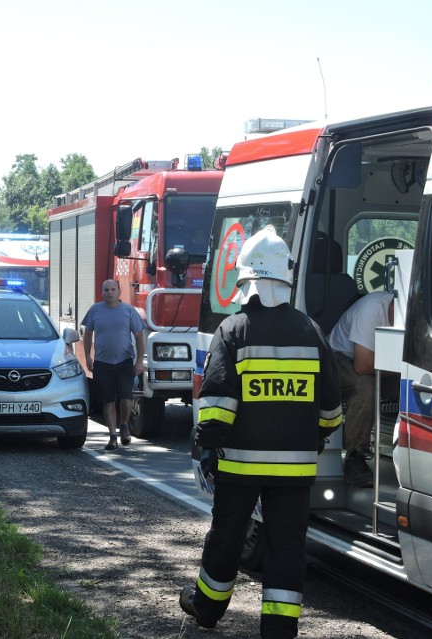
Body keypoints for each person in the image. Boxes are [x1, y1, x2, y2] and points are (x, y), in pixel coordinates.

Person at [180, 226, 342, 639]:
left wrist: (208, 447)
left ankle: (206, 609)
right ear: (284, 278)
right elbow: (331, 409)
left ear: (246, 279)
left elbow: (216, 402)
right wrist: (317, 438)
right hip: (296, 470)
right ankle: (278, 629)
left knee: (227, 538)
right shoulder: (311, 332)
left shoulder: (233, 330)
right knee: (287, 548)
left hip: (240, 465)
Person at [328, 290, 395, 487]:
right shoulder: (372, 309)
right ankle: (354, 457)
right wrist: (404, 370)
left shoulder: (412, 313)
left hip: (379, 360)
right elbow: (363, 365)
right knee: (365, 385)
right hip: (337, 356)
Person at [81, 279, 146, 450]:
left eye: (112, 289)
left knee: (126, 398)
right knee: (108, 400)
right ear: (102, 292)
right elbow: (87, 334)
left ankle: (124, 424)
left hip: (124, 362)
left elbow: (139, 337)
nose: (109, 292)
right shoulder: (95, 310)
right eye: (106, 289)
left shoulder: (128, 311)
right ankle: (112, 436)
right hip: (102, 363)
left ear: (119, 291)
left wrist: (139, 361)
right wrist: (87, 357)